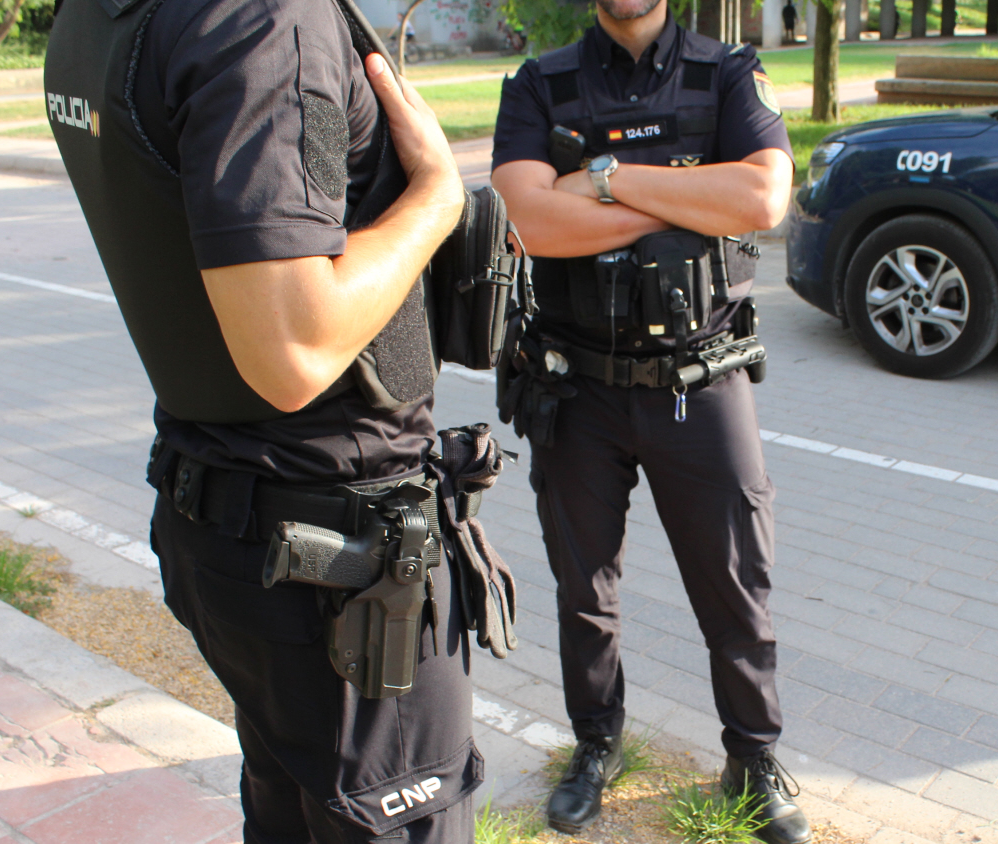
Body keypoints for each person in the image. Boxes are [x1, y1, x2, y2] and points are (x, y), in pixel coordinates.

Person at [44, 0, 494, 840]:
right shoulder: (259, 19)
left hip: (230, 524)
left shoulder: (97, 17)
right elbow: (294, 349)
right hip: (338, 567)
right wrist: (435, 199)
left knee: (290, 806)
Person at [490, 1, 809, 842]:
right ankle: (595, 744)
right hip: (577, 388)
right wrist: (690, 200)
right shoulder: (539, 85)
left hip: (701, 380)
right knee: (583, 589)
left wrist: (603, 180)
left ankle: (753, 757)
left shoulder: (727, 73)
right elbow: (524, 220)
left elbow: (762, 197)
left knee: (736, 586)